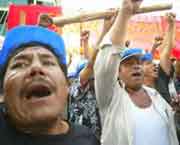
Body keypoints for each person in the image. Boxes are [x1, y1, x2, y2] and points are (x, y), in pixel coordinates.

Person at [94, 0, 179, 145]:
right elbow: (107, 59)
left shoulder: (156, 97)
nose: (136, 67)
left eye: (139, 63)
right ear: (117, 73)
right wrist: (125, 12)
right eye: (129, 64)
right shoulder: (111, 98)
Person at [0, 25, 100, 145]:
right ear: (2, 91)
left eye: (48, 62)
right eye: (20, 64)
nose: (36, 67)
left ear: (67, 86)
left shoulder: (87, 140)